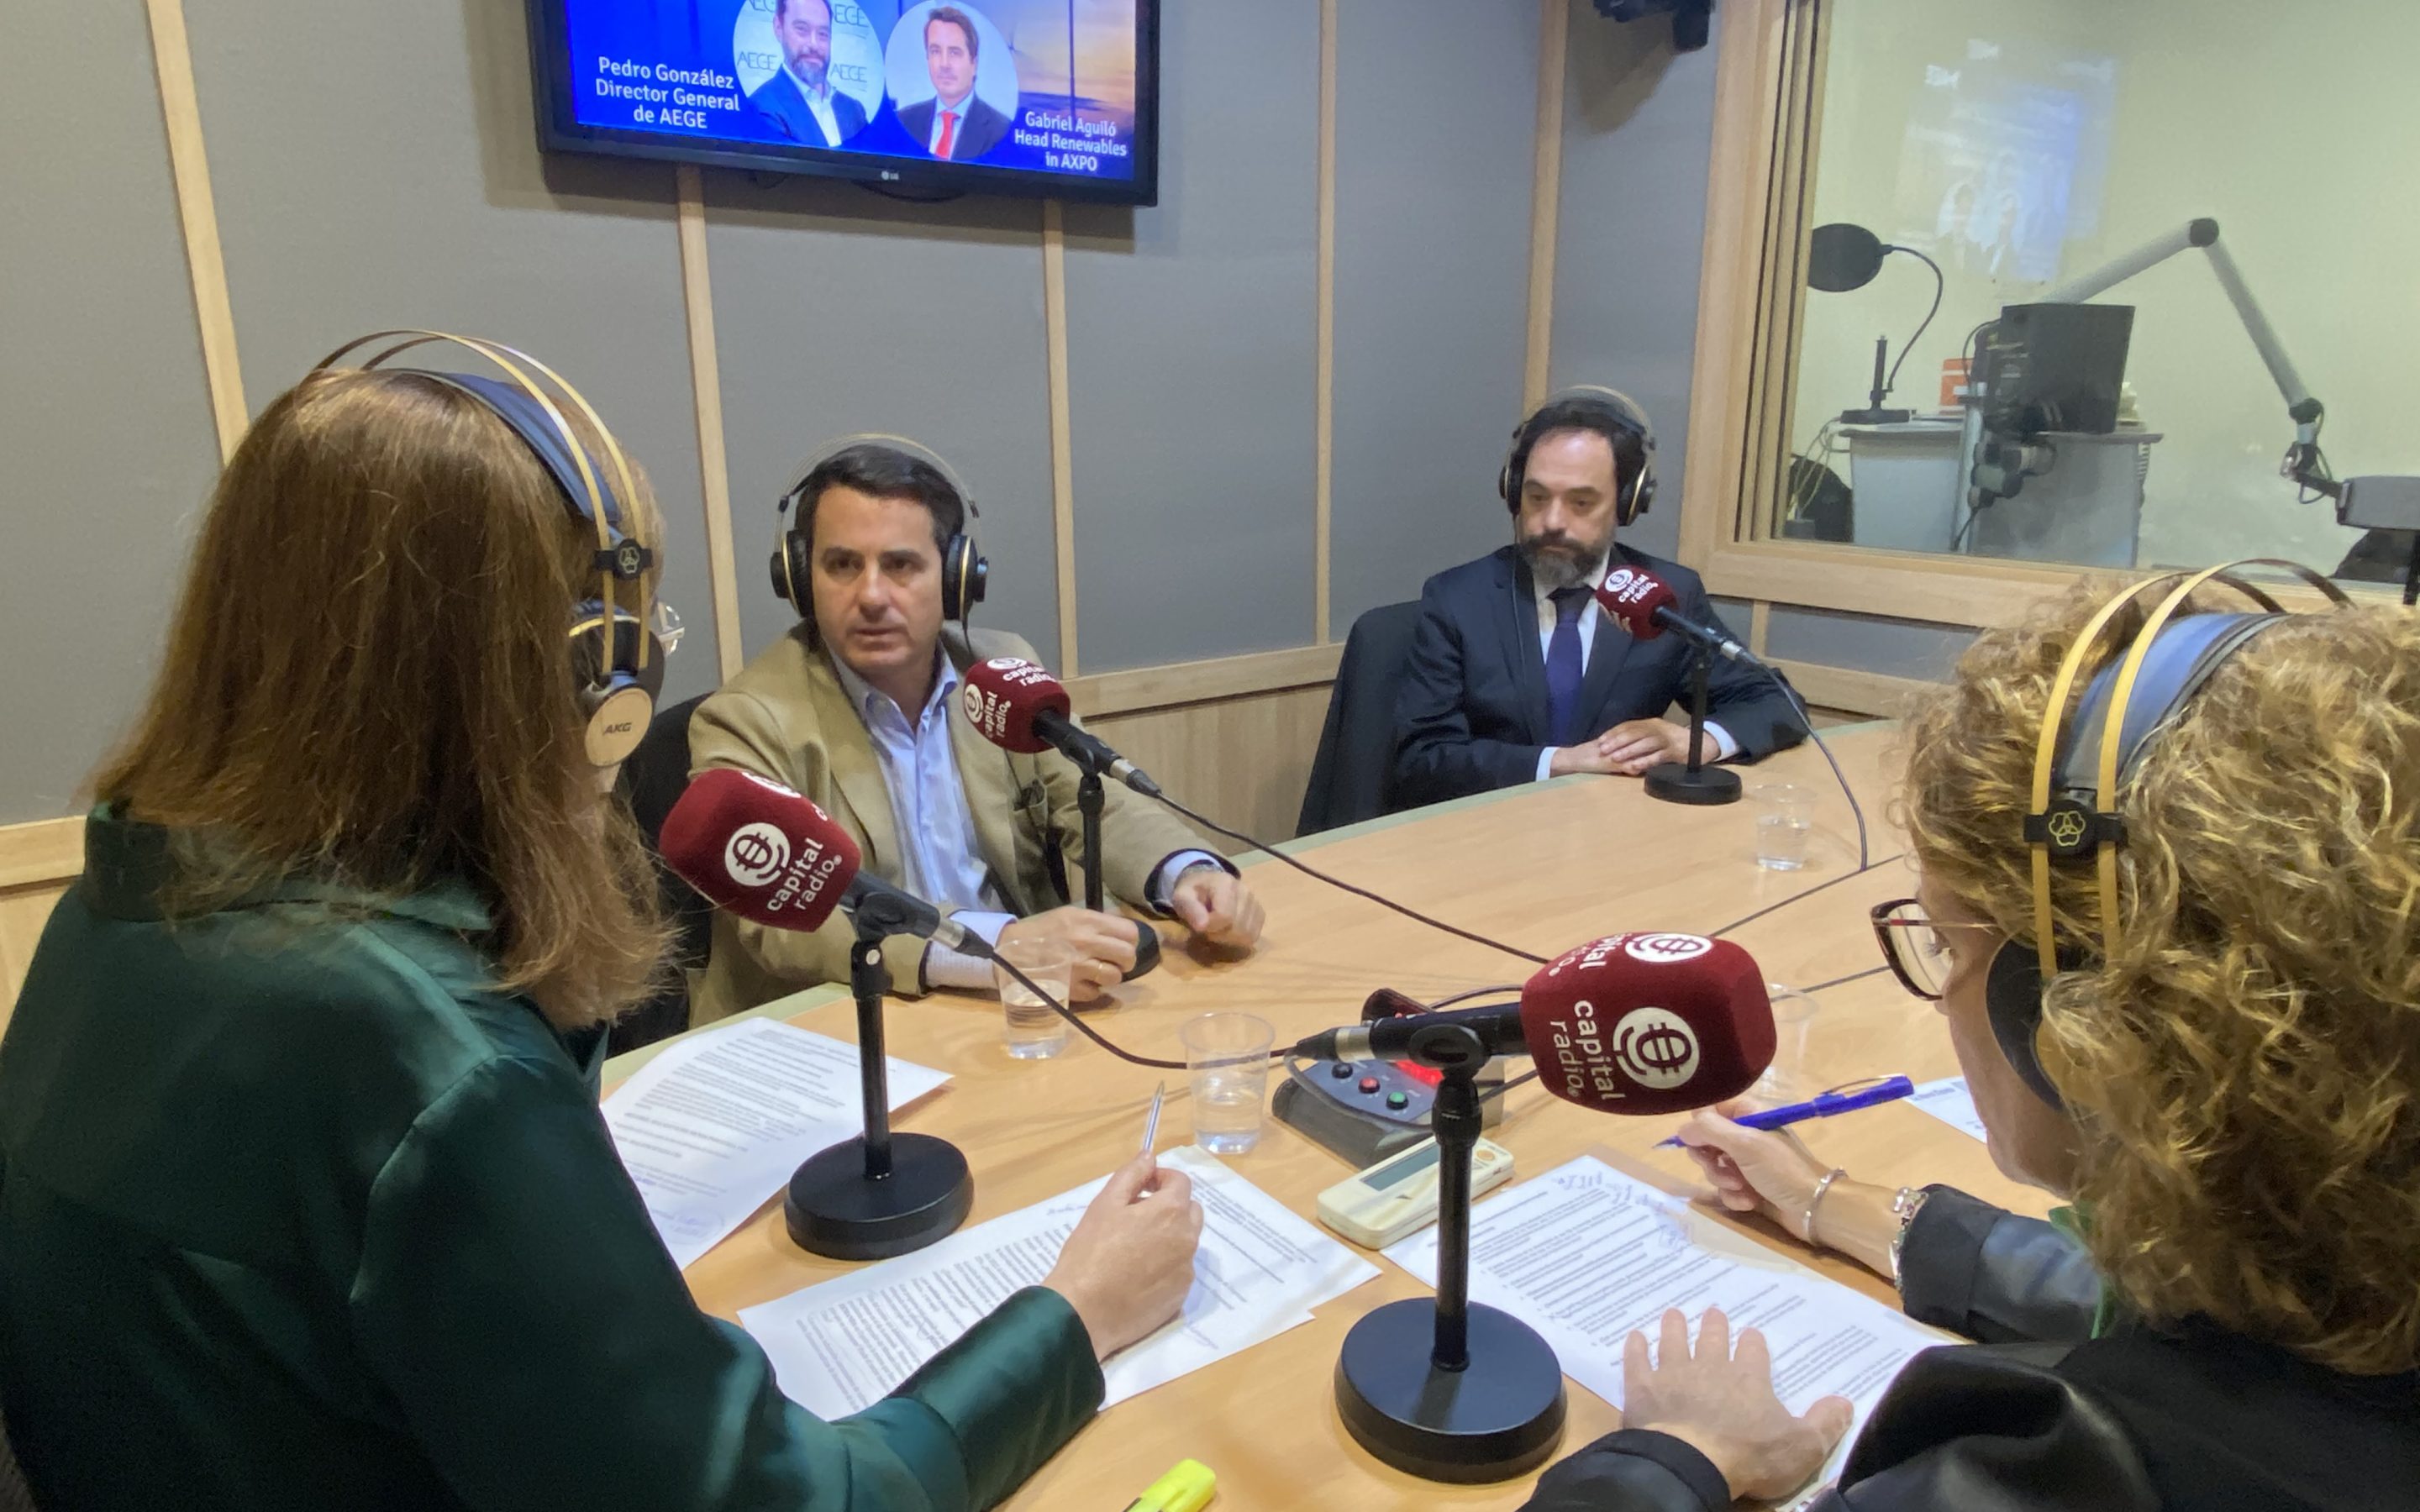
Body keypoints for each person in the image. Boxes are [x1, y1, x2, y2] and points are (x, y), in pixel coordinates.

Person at [0, 345, 1206, 1511]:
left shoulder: (113, 909)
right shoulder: (442, 1071)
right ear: (585, 668)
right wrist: (1074, 1319)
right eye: (636, 636)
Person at [1520, 574, 2420, 1510]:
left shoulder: (2089, 1471)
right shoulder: (2337, 1288)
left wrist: (1672, 1456)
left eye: (1949, 944)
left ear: (2079, 1014)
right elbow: (2164, 1304)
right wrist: (1825, 1201)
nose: (1944, 991)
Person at [688, 441, 1263, 1023]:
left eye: (900, 565)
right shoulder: (745, 720)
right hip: (840, 1020)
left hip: (1008, 1009)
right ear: (799, 578)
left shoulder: (999, 674)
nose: (871, 596)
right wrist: (995, 950)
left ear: (955, 578)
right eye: (842, 565)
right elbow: (787, 924)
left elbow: (1096, 801)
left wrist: (1186, 872)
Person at [1394, 391, 1802, 806]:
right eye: (1537, 497)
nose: (1553, 521)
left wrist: (1696, 742)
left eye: (1581, 503)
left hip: (1616, 822)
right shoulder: (1458, 599)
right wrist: (1561, 762)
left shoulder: (1666, 595)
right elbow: (1422, 758)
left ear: (1627, 504)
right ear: (1513, 492)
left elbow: (1775, 702)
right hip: (1489, 823)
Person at [895, 6, 1010, 162]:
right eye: (935, 51)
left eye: (954, 52)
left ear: (974, 63)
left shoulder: (1000, 131)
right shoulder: (904, 120)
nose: (944, 64)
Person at [748, 0, 869, 148]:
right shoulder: (762, 108)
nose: (814, 44)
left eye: (823, 34)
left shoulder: (854, 110)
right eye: (802, 29)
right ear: (779, 28)